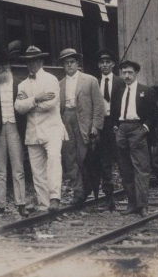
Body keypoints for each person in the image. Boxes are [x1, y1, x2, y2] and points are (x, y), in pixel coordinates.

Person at [14, 46, 67, 212]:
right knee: (37, 171)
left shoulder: (51, 80)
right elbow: (18, 108)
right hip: (33, 132)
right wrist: (37, 98)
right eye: (28, 61)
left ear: (41, 61)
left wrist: (29, 103)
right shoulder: (22, 84)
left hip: (52, 129)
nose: (31, 64)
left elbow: (51, 104)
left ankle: (55, 198)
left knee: (53, 159)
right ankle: (44, 206)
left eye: (35, 60)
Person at [112, 59, 158, 217]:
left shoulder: (145, 90)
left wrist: (144, 129)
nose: (127, 76)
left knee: (141, 169)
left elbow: (154, 114)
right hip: (122, 130)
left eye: (130, 72)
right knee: (125, 170)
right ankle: (131, 204)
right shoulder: (119, 91)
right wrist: (116, 127)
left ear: (136, 73)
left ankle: (142, 206)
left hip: (138, 128)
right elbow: (113, 112)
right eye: (124, 73)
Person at [57, 48, 103, 207]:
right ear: (63, 65)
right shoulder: (60, 84)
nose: (69, 65)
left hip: (83, 121)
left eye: (72, 62)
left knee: (83, 157)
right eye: (66, 63)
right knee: (69, 157)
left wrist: (96, 126)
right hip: (66, 119)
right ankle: (78, 191)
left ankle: (88, 187)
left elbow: (98, 105)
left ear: (77, 63)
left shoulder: (90, 80)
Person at [0, 45, 28, 217]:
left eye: (5, 64)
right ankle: (0, 204)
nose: (3, 67)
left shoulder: (20, 84)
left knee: (18, 167)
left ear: (10, 66)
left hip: (14, 128)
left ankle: (21, 203)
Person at [92, 49, 120, 210]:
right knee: (104, 162)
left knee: (122, 159)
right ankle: (108, 199)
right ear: (98, 65)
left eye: (108, 62)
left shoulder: (120, 82)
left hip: (116, 124)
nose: (105, 65)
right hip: (101, 124)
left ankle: (133, 199)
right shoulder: (94, 83)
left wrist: (119, 124)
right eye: (102, 62)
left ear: (113, 64)